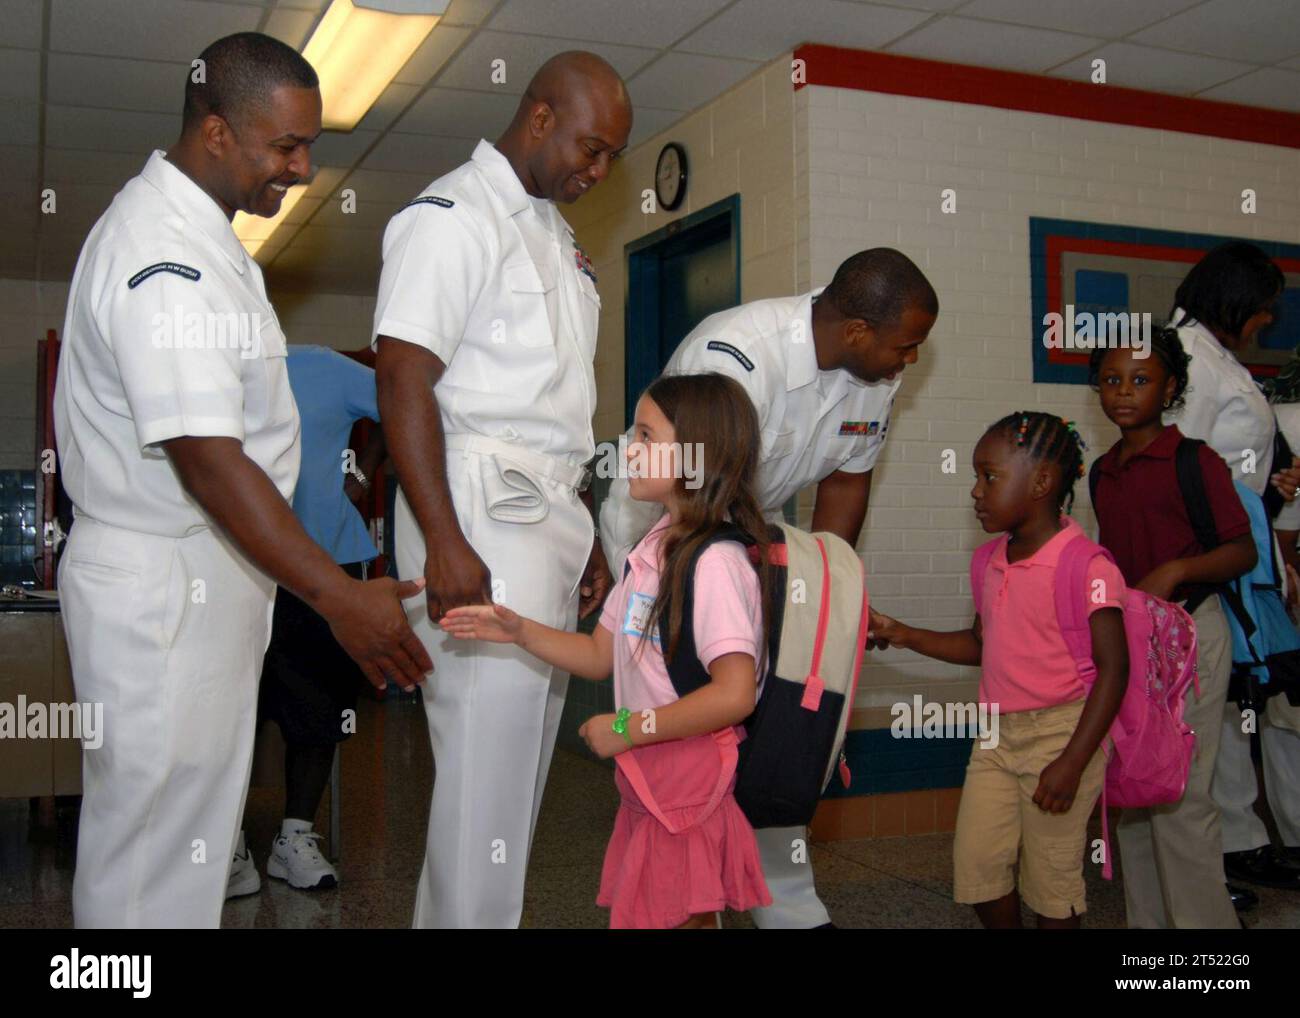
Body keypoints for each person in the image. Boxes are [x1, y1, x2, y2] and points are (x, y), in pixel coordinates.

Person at [53, 33, 430, 929]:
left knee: (190, 836)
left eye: (309, 145)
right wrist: (338, 597)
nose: (301, 169)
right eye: (285, 146)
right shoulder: (165, 259)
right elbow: (211, 461)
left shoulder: (210, 247)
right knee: (147, 851)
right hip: (162, 584)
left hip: (205, 579)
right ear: (216, 132)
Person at [600, 248, 938, 928]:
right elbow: (689, 493)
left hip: (754, 545)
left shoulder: (873, 372)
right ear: (856, 332)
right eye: (905, 347)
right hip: (669, 540)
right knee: (702, 739)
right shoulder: (735, 356)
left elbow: (847, 479)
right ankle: (690, 895)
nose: (910, 361)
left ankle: (782, 900)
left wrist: (828, 599)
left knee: (780, 728)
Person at [373, 51, 631, 928]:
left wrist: (588, 528)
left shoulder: (555, 235)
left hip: (548, 511)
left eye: (609, 161)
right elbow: (404, 373)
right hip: (478, 508)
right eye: (590, 150)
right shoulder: (453, 214)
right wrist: (445, 538)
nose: (597, 173)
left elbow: (560, 407)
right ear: (539, 117)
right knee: (487, 777)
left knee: (509, 780)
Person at [442, 374, 773, 928]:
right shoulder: (653, 549)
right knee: (664, 912)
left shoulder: (714, 562)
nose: (629, 449)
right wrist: (520, 631)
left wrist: (629, 728)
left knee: (677, 915)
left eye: (646, 436)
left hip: (686, 773)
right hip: (654, 770)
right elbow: (602, 655)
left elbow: (735, 693)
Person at [869, 413, 1128, 928]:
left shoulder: (1087, 567)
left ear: (1041, 483)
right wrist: (904, 633)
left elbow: (1114, 669)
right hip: (995, 738)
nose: (975, 491)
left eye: (990, 476)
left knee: (1051, 885)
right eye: (976, 476)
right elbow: (984, 645)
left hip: (1063, 733)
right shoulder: (988, 560)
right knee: (978, 866)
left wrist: (1072, 762)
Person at [1089, 330, 1253, 928]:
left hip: (1190, 635)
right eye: (1111, 380)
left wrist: (1178, 569)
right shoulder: (1103, 471)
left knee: (1181, 795)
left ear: (1172, 387)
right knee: (1135, 795)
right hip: (1133, 641)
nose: (1124, 392)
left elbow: (1242, 551)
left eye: (1141, 379)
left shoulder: (1194, 459)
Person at [228, 345, 387, 897]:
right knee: (230, 708)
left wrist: (362, 477)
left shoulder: (323, 367)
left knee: (320, 706)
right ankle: (225, 842)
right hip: (237, 562)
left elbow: (400, 401)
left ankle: (293, 836)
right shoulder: (214, 363)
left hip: (329, 564)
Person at [1167, 242, 1300, 894]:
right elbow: (1178, 463)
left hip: (1237, 551)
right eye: (1264, 309)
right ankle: (1206, 865)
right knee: (1206, 709)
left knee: (1231, 702)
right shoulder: (1187, 358)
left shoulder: (1216, 359)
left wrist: (1275, 490)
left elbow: (1230, 472)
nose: (1267, 321)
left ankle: (1241, 842)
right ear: (1237, 300)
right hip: (1201, 560)